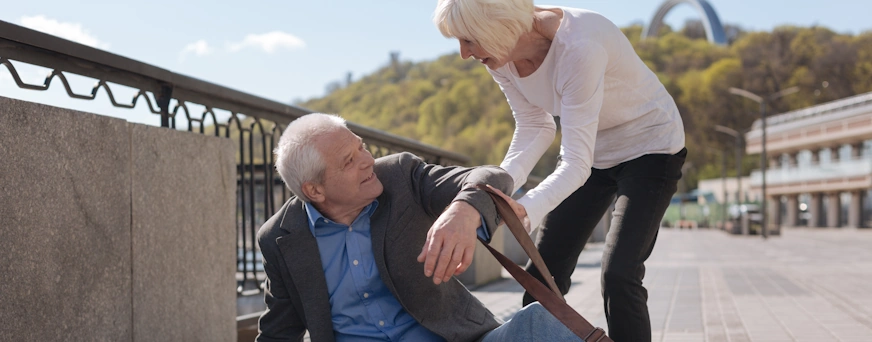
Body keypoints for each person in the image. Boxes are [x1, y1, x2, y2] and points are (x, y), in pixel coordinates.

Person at [433, 1, 687, 341]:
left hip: (650, 147)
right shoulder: (500, 56)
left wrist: (529, 208)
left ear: (498, 25)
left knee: (619, 274)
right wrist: (498, 187)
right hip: (593, 151)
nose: (464, 53)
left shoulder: (579, 46)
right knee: (541, 276)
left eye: (468, 40)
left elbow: (574, 164)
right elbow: (534, 126)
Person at [256, 113, 581, 341]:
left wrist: (464, 210)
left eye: (361, 147)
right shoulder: (280, 238)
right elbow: (279, 332)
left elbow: (491, 176)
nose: (367, 160)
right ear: (314, 190)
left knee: (539, 322)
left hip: (462, 338)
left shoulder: (400, 175)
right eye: (349, 161)